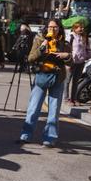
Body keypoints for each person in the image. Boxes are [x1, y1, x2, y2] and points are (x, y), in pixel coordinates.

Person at [18, 19, 71, 147]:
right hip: (41, 76)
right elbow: (31, 58)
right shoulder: (39, 39)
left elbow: (70, 61)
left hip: (58, 78)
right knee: (33, 108)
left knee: (54, 111)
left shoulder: (64, 42)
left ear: (60, 28)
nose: (52, 30)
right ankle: (25, 135)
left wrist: (66, 55)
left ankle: (50, 138)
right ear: (46, 28)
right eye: (50, 27)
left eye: (55, 27)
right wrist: (42, 48)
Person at [65, 21, 89, 106]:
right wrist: (67, 62)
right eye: (80, 27)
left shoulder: (84, 37)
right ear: (75, 28)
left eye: (82, 27)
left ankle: (74, 99)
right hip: (72, 62)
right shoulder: (70, 37)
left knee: (76, 81)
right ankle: (67, 99)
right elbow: (66, 49)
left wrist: (87, 56)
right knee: (67, 81)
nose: (82, 29)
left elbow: (86, 48)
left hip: (81, 62)